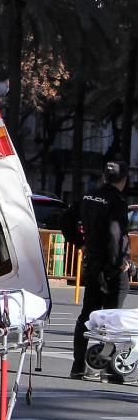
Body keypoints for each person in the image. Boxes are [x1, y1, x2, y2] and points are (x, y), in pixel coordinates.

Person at [71, 160, 131, 380]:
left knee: (87, 316)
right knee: (113, 318)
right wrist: (118, 264)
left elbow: (65, 220)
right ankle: (109, 369)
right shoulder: (117, 202)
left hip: (93, 264)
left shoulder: (88, 196)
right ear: (123, 180)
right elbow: (115, 234)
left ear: (104, 177)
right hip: (112, 268)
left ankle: (78, 366)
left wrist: (80, 242)